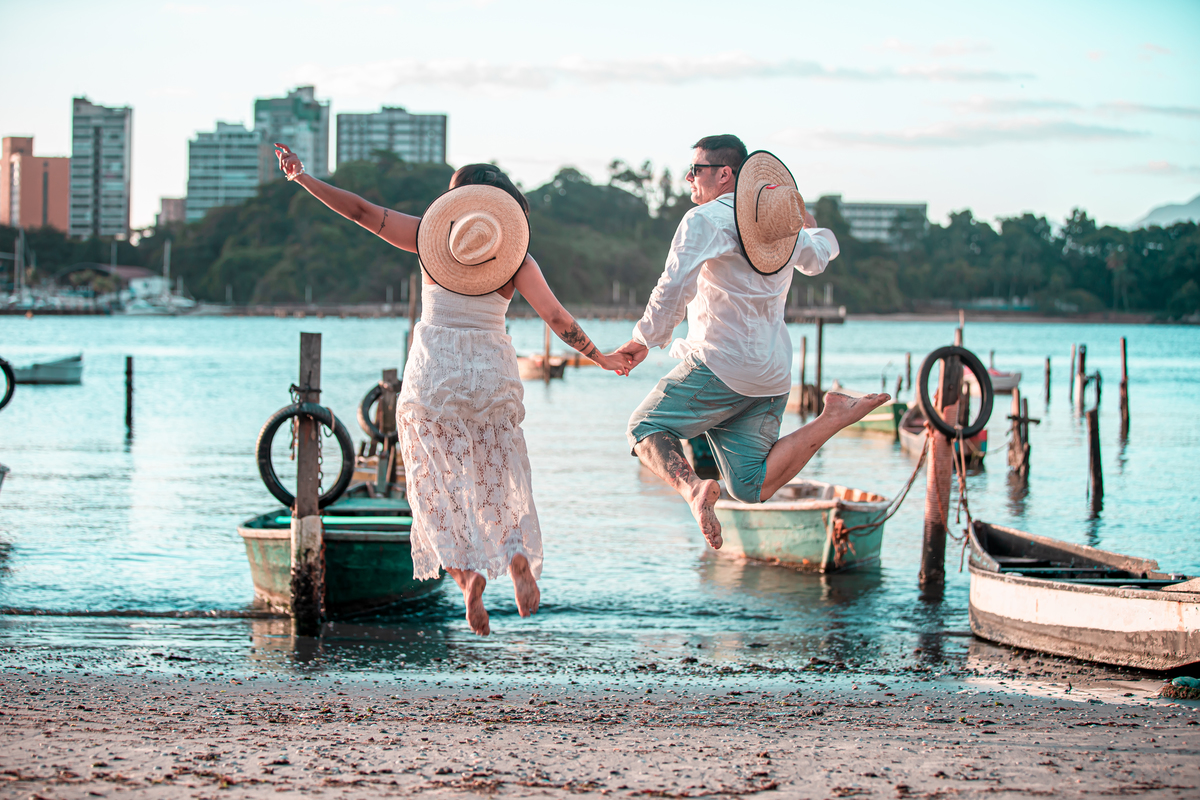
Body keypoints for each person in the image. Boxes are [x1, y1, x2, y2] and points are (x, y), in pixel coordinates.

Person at [274, 144, 632, 636]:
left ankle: (466, 579)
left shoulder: (428, 237)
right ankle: (515, 558)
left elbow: (357, 209)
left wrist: (302, 177)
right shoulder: (516, 258)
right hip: (491, 374)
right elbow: (556, 318)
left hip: (433, 375)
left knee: (432, 489)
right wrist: (603, 357)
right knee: (496, 478)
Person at [616, 136, 889, 549]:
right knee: (750, 486)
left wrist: (643, 339)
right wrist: (801, 219)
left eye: (697, 169)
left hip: (721, 364)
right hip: (772, 375)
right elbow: (819, 256)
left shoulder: (705, 219)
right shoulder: (779, 226)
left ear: (725, 174)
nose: (689, 177)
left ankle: (693, 490)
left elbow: (673, 287)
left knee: (644, 427)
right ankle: (832, 417)